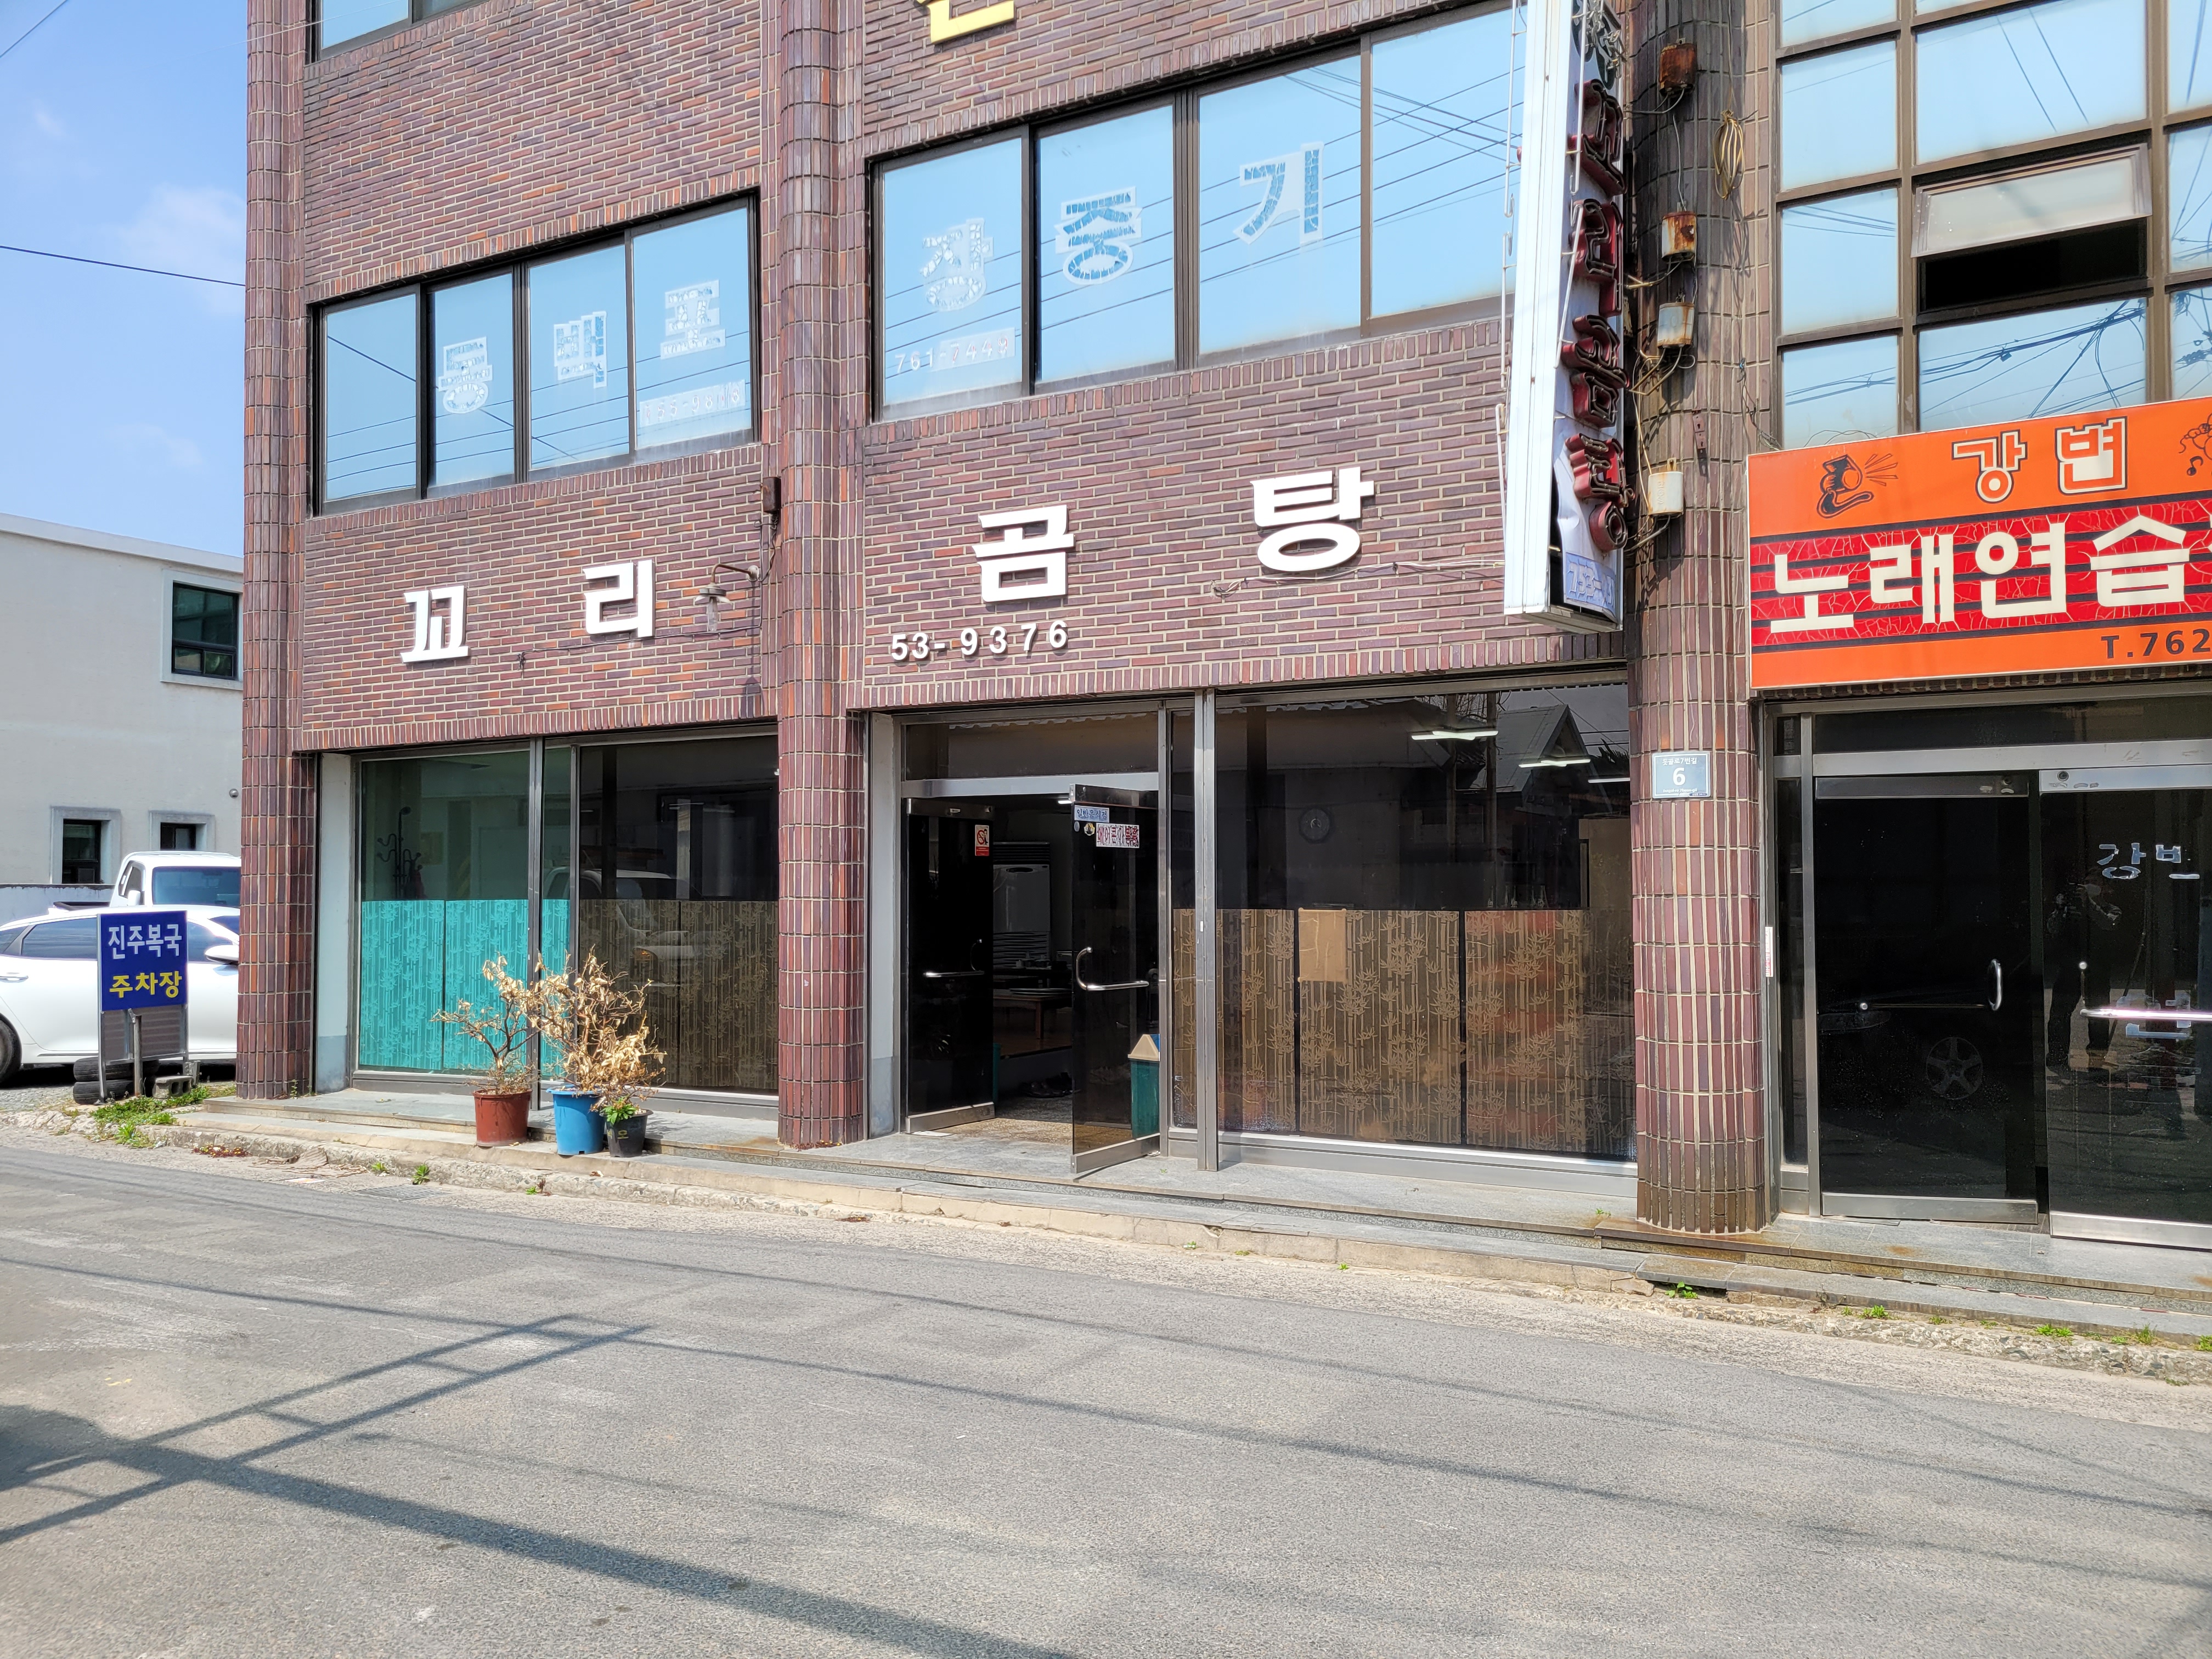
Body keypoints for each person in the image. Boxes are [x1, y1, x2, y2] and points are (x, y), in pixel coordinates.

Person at [2044, 868, 2120, 1071]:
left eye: (2095, 882)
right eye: (2086, 882)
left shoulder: (2111, 909)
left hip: (2098, 969)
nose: (2089, 886)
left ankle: (2096, 1061)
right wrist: (2060, 908)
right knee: (2059, 1014)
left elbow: (2109, 924)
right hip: (2070, 967)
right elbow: (2053, 928)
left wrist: (2089, 904)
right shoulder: (2071, 909)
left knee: (2098, 1017)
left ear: (2104, 888)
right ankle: (2058, 1056)